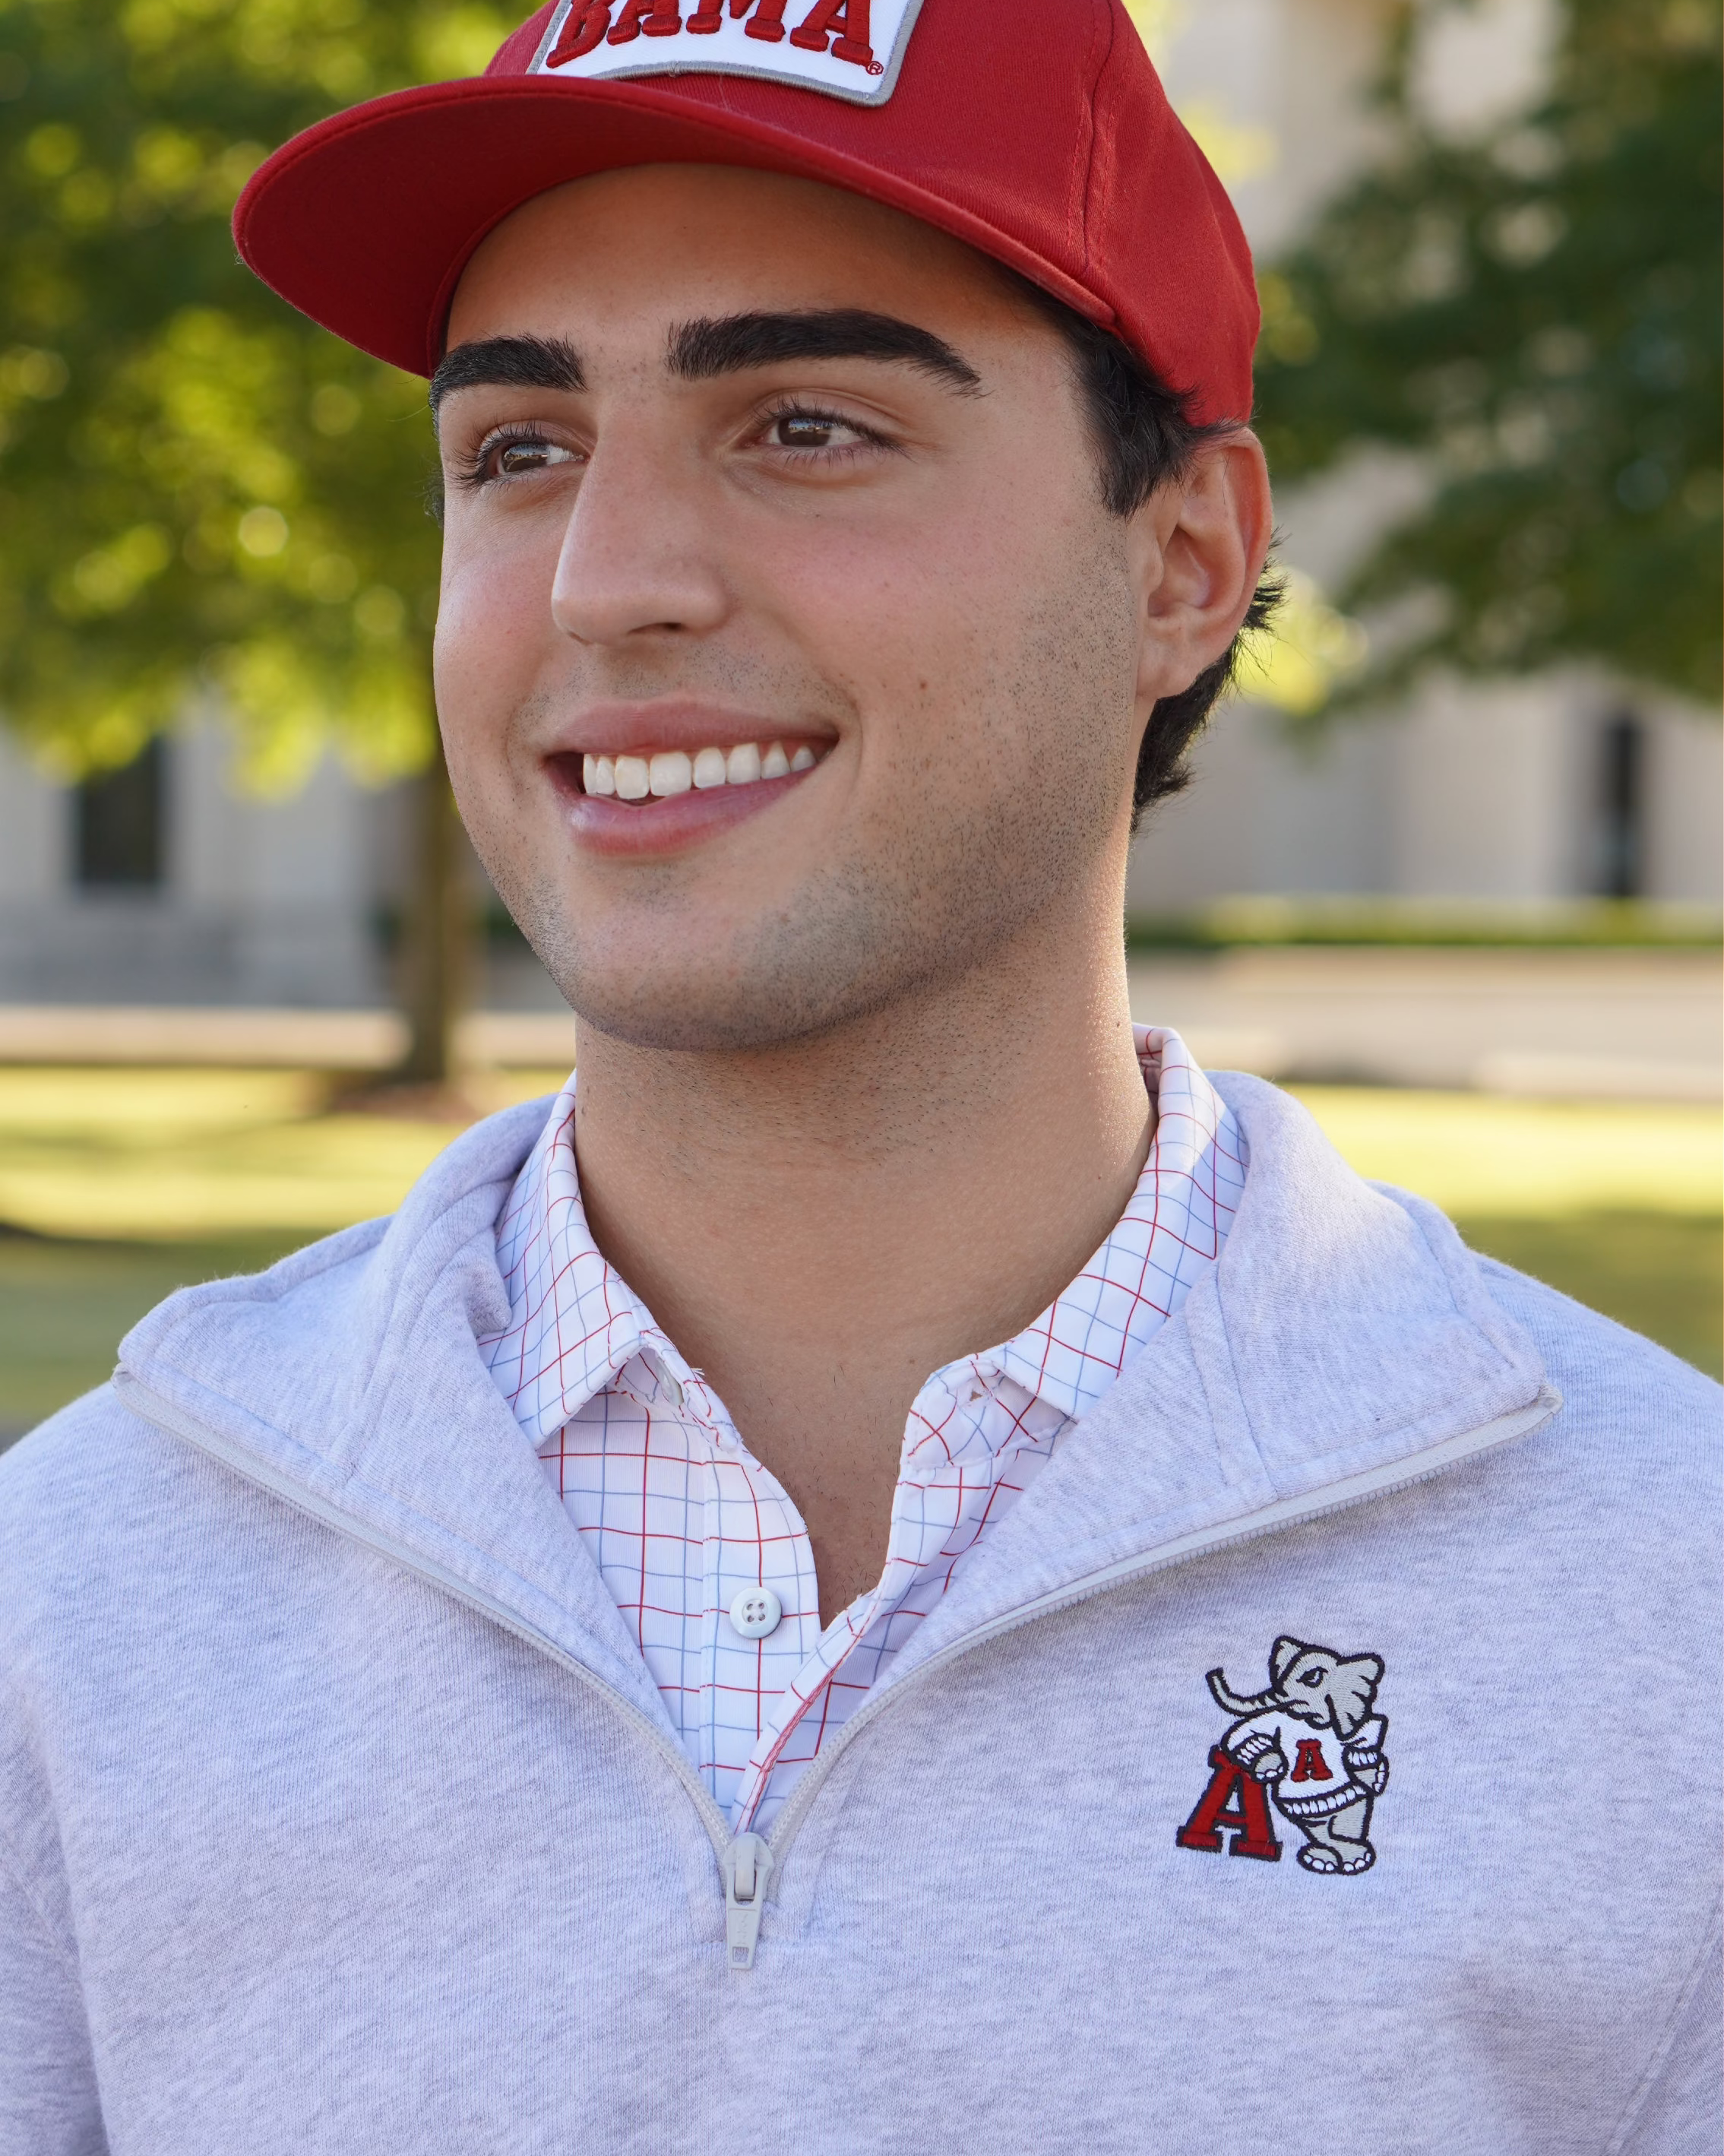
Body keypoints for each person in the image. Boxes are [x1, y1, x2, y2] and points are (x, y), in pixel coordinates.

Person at [0, 1, 1716, 2148]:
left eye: (804, 425)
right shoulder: (82, 1589)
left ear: (1180, 557)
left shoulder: (1664, 1600)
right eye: (516, 451)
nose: (607, 582)